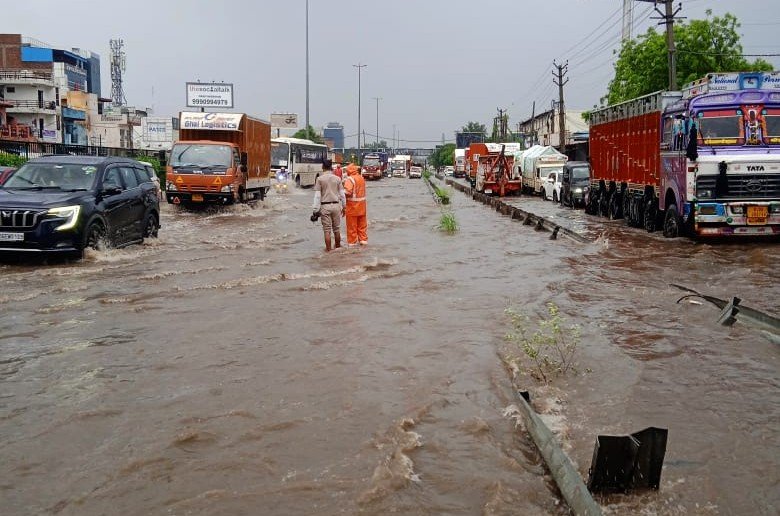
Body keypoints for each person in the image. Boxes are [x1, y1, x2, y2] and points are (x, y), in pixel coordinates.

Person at [312, 159, 345, 252]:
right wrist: (344, 207)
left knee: (327, 230)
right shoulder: (337, 179)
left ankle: (328, 252)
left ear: (323, 167)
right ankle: (338, 249)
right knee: (337, 229)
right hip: (336, 206)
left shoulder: (320, 179)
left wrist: (315, 210)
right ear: (331, 167)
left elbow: (317, 196)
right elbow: (342, 195)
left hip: (325, 206)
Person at [343, 162, 368, 246]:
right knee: (362, 226)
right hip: (362, 207)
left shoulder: (350, 179)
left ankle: (352, 244)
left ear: (349, 171)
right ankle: (363, 241)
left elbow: (348, 192)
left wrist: (340, 192)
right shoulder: (361, 178)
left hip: (352, 207)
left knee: (351, 228)